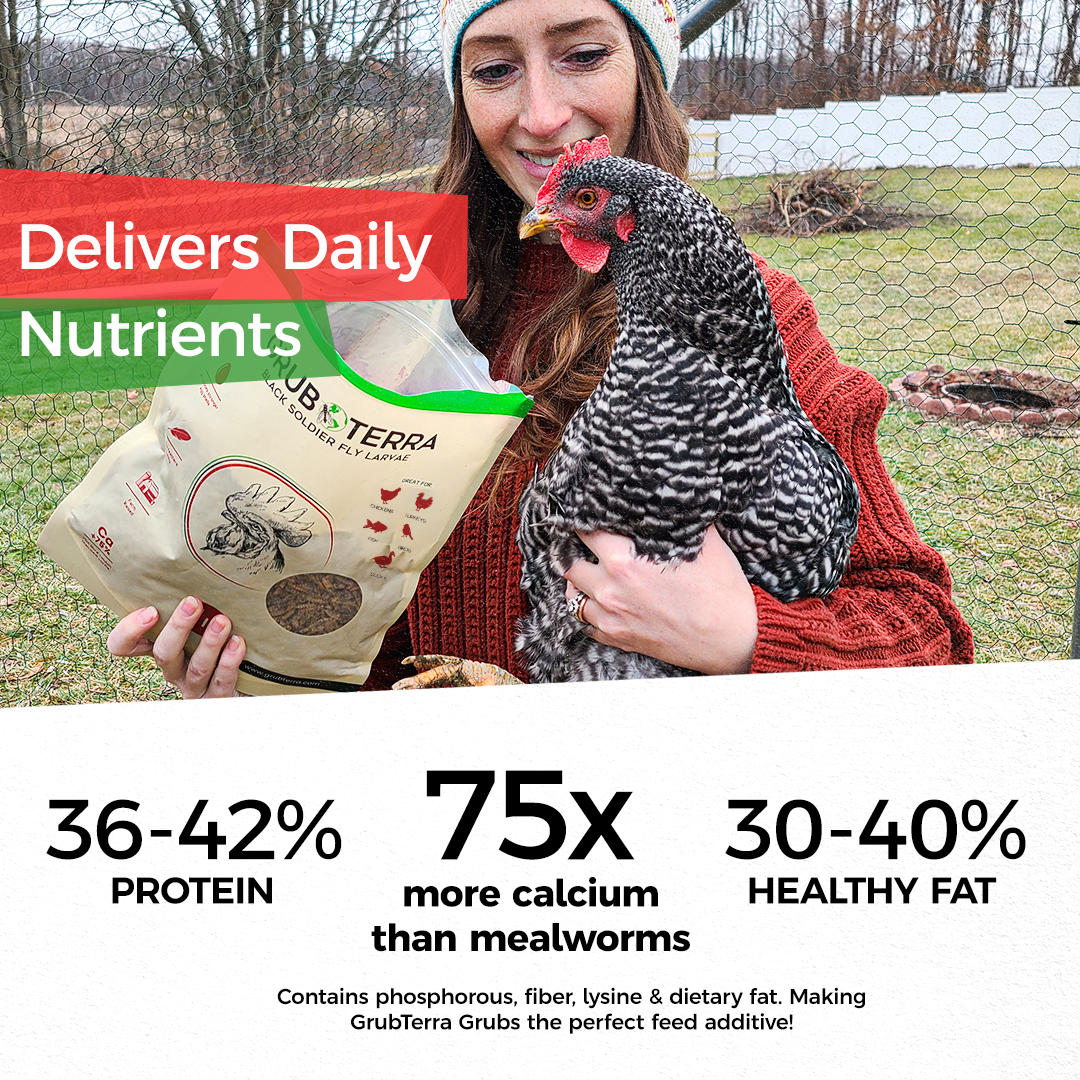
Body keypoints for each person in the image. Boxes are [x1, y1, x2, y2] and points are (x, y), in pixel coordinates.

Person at [107, 0, 973, 696]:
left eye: (584, 54)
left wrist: (742, 636)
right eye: (493, 69)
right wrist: (260, 663)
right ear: (461, 98)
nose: (543, 113)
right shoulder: (381, 307)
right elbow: (354, 626)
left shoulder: (752, 317)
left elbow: (924, 634)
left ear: (648, 71)